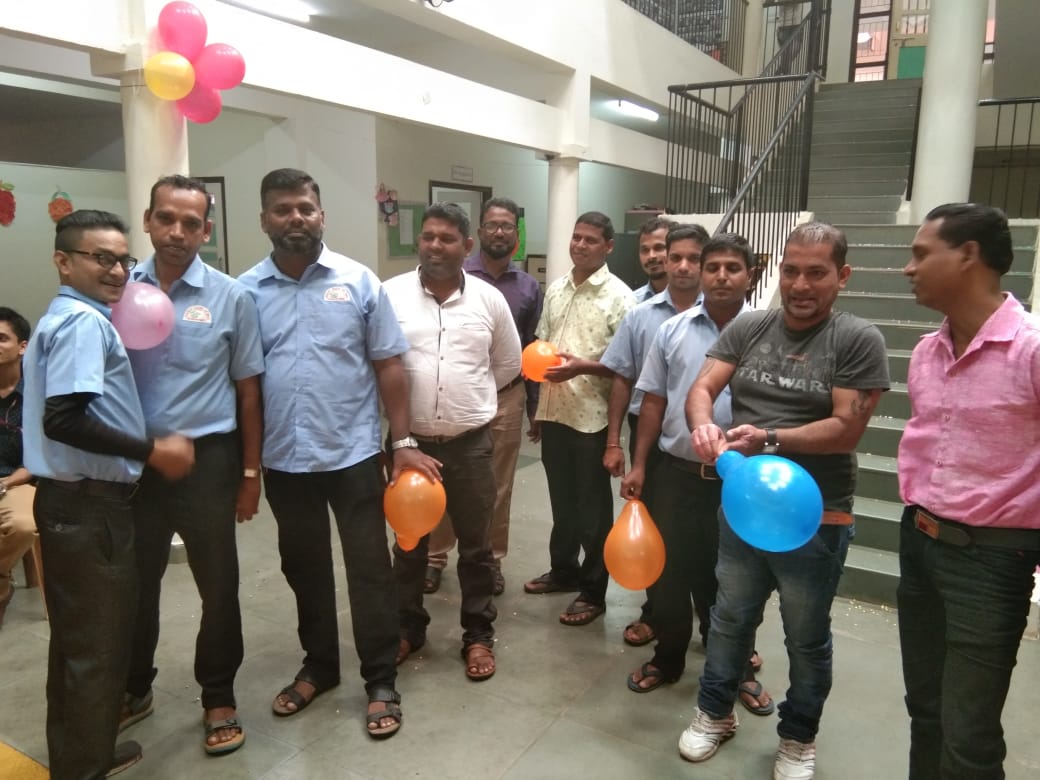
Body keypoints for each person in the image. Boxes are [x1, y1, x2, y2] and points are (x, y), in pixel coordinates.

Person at [683, 222, 889, 779]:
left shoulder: (856, 339)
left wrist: (768, 438)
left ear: (842, 276)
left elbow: (847, 428)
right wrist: (703, 426)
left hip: (816, 517)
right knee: (729, 618)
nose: (800, 284)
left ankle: (798, 737)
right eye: (791, 270)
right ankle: (714, 712)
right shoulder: (750, 326)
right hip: (744, 509)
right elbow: (702, 388)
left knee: (806, 636)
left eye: (816, 273)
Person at [239, 168, 437, 739]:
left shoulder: (358, 281)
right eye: (282, 209)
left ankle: (380, 680)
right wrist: (248, 468)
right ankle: (320, 667)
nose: (295, 218)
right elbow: (245, 385)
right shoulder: (245, 292)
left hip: (353, 455)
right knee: (304, 568)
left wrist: (402, 443)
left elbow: (389, 366)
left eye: (305, 207)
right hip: (285, 459)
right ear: (264, 219)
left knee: (370, 570)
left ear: (321, 215)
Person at [23, 210, 195, 779]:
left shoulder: (68, 316)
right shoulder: (82, 324)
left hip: (73, 503)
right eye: (101, 258)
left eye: (123, 259)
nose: (118, 271)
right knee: (96, 647)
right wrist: (153, 449)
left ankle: (80, 756)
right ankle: (83, 769)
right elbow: (64, 419)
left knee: (77, 643)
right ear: (63, 261)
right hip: (89, 506)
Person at [119, 176, 265, 755]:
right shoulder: (118, 291)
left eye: (190, 222)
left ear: (206, 230)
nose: (176, 232)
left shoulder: (232, 296)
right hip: (135, 463)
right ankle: (134, 687)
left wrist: (250, 475)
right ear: (148, 221)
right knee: (134, 585)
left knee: (218, 585)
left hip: (209, 460)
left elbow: (249, 392)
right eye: (166, 218)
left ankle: (218, 696)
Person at [898, 203, 1040, 780]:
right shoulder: (927, 352)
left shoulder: (1031, 349)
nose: (909, 268)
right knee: (926, 711)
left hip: (991, 558)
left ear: (968, 255)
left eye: (921, 254)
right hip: (920, 539)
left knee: (969, 732)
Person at [620, 233, 770, 715]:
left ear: (750, 275)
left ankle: (737, 668)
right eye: (713, 267)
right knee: (668, 573)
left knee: (734, 581)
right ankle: (667, 658)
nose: (721, 276)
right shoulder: (674, 330)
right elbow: (653, 401)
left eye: (733, 268)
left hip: (740, 481)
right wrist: (639, 463)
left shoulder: (768, 334)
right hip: (677, 474)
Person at [384, 202, 521, 681]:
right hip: (408, 444)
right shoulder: (390, 295)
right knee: (409, 545)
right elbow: (378, 364)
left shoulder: (489, 300)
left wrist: (468, 401)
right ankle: (408, 628)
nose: (435, 246)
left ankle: (478, 636)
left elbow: (507, 364)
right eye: (428, 237)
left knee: (477, 548)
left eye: (446, 239)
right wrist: (402, 436)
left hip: (469, 443)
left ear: (467, 246)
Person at [424, 197, 541, 597]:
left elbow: (529, 351)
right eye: (492, 225)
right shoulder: (454, 273)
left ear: (516, 233)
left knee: (497, 485)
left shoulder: (528, 286)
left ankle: (490, 559)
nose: (499, 232)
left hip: (506, 396)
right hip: (451, 396)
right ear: (478, 234)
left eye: (507, 225)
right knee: (441, 479)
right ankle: (434, 557)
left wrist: (534, 407)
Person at [523, 212, 635, 627]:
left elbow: (627, 367)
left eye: (590, 239)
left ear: (608, 246)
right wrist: (539, 410)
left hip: (592, 419)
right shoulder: (556, 289)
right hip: (555, 413)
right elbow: (543, 350)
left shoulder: (621, 298)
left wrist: (582, 367)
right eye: (576, 237)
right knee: (562, 504)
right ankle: (564, 570)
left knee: (593, 513)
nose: (580, 245)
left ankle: (593, 591)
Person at [601, 222, 704, 647]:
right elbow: (622, 378)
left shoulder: (732, 316)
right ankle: (657, 614)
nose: (676, 264)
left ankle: (720, 629)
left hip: (712, 442)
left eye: (690, 258)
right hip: (651, 433)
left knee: (713, 540)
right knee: (659, 532)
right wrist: (615, 443)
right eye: (669, 255)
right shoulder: (640, 314)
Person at [0, 307, 35, 629]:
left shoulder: (37, 394)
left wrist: (6, 483)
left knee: (23, 526)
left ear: (22, 346)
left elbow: (38, 459)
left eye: (2, 338)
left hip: (19, 481)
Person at [631, 217, 676, 302]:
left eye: (659, 248)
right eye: (645, 250)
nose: (651, 256)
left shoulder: (698, 300)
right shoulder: (632, 301)